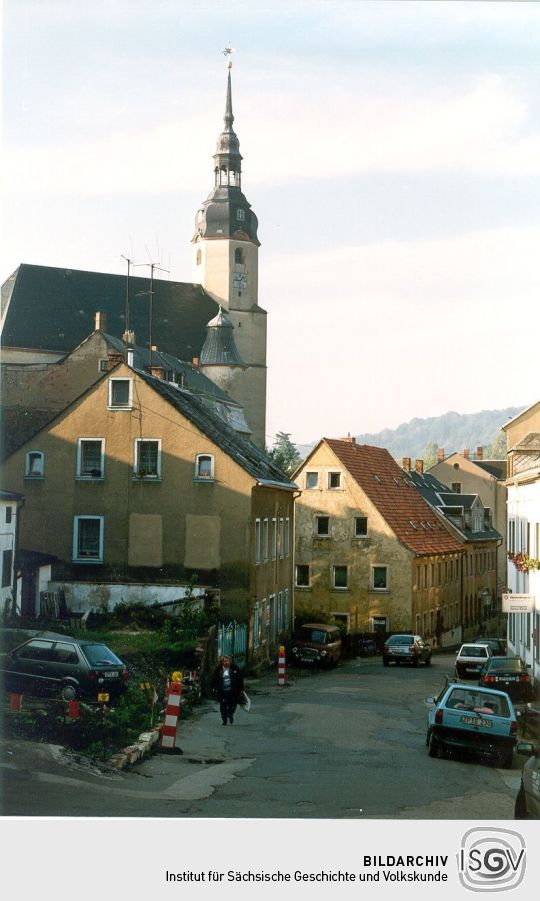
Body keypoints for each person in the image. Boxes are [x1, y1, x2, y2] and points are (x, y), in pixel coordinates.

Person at [211, 655, 244, 725]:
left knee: (233, 705)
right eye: (225, 661)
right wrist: (214, 688)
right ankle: (224, 720)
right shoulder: (218, 669)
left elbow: (240, 679)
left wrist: (241, 689)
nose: (227, 662)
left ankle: (230, 714)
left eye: (228, 661)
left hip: (233, 690)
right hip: (222, 691)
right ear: (222, 662)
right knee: (223, 706)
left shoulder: (235, 668)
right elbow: (214, 679)